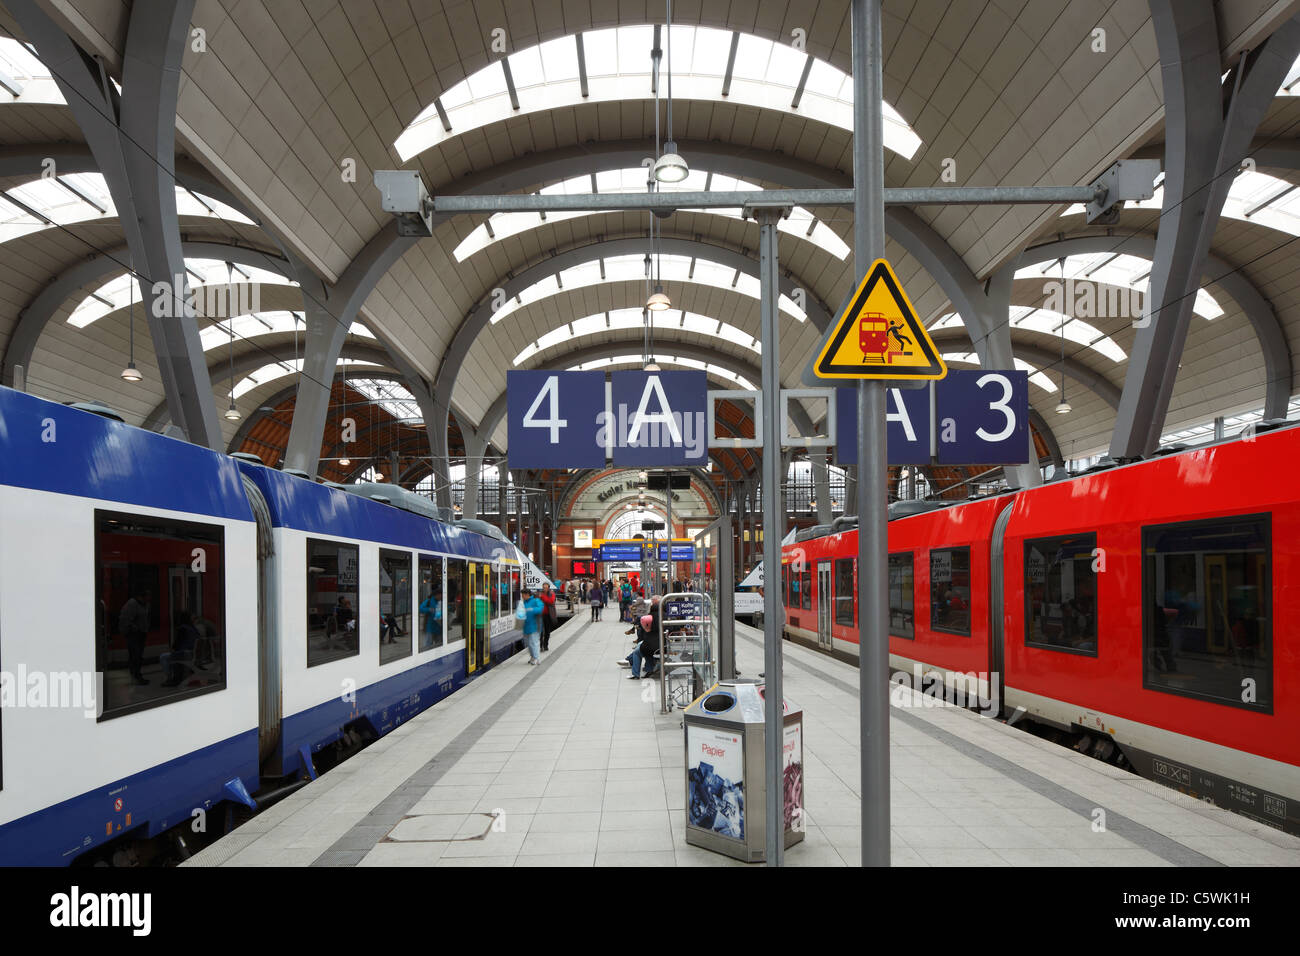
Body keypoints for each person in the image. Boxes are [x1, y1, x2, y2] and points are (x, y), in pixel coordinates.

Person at [118, 588, 151, 686]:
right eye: (148, 596)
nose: (149, 598)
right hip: (133, 635)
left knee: (139, 655)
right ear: (142, 596)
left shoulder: (146, 604)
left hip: (142, 633)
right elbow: (125, 619)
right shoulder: (132, 604)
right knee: (135, 655)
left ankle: (136, 675)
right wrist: (134, 628)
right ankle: (136, 675)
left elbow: (146, 617)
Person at [623, 597, 662, 679]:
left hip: (652, 645)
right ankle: (647, 668)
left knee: (639, 651)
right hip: (663, 645)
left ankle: (635, 673)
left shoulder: (649, 618)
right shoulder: (665, 617)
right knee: (641, 647)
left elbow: (645, 630)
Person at [162, 610, 200, 687]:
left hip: (185, 654)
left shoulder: (183, 628)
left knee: (163, 657)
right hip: (194, 653)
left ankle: (171, 678)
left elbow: (176, 645)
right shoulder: (194, 628)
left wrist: (172, 650)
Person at [520, 588, 544, 665]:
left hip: (535, 626)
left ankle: (536, 658)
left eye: (523, 595)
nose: (522, 596)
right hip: (526, 626)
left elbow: (540, 608)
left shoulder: (536, 601)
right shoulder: (523, 602)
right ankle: (532, 656)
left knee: (534, 642)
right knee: (528, 644)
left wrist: (532, 609)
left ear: (527, 595)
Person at [539, 582, 557, 652]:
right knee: (540, 631)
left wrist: (543, 597)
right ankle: (541, 645)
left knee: (547, 631)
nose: (545, 589)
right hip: (540, 614)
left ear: (548, 588)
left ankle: (545, 645)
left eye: (546, 588)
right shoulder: (540, 593)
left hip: (548, 614)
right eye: (544, 588)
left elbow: (551, 601)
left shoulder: (551, 593)